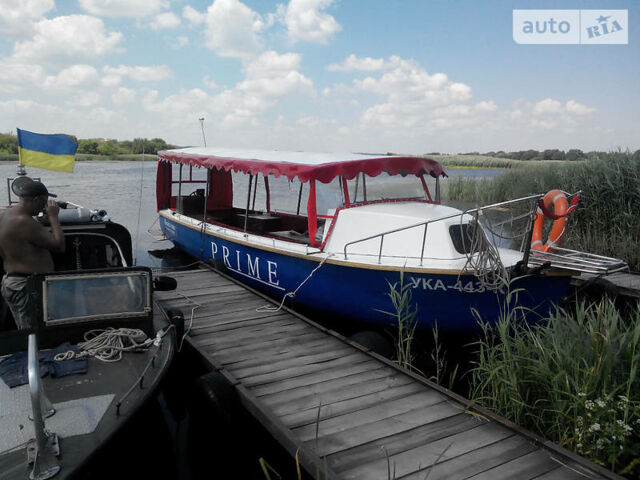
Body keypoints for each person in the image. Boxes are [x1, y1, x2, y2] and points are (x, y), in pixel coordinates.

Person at [0, 180, 65, 329]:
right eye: (43, 203)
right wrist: (54, 217)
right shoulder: (24, 221)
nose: (44, 207)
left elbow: (22, 241)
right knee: (32, 333)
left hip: (13, 281)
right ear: (36, 200)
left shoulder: (5, 215)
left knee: (26, 328)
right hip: (26, 285)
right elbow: (59, 246)